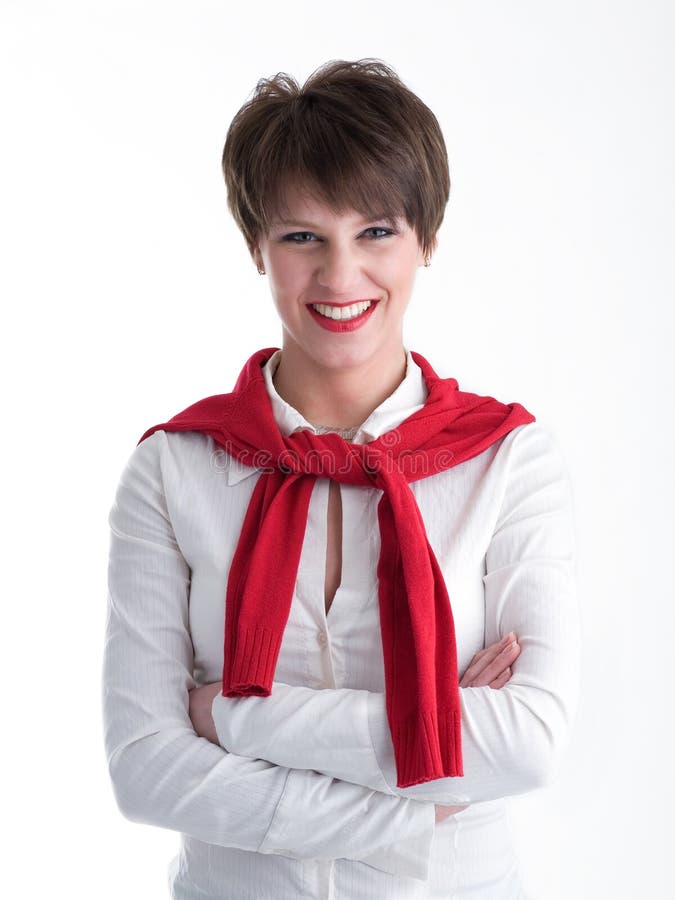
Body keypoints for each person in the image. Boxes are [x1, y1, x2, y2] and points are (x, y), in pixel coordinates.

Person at [102, 59, 580, 900]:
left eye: (376, 232)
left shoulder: (505, 457)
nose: (339, 275)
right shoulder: (173, 467)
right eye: (301, 236)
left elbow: (529, 739)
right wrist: (418, 788)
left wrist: (228, 717)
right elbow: (146, 770)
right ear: (257, 244)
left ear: (426, 238)